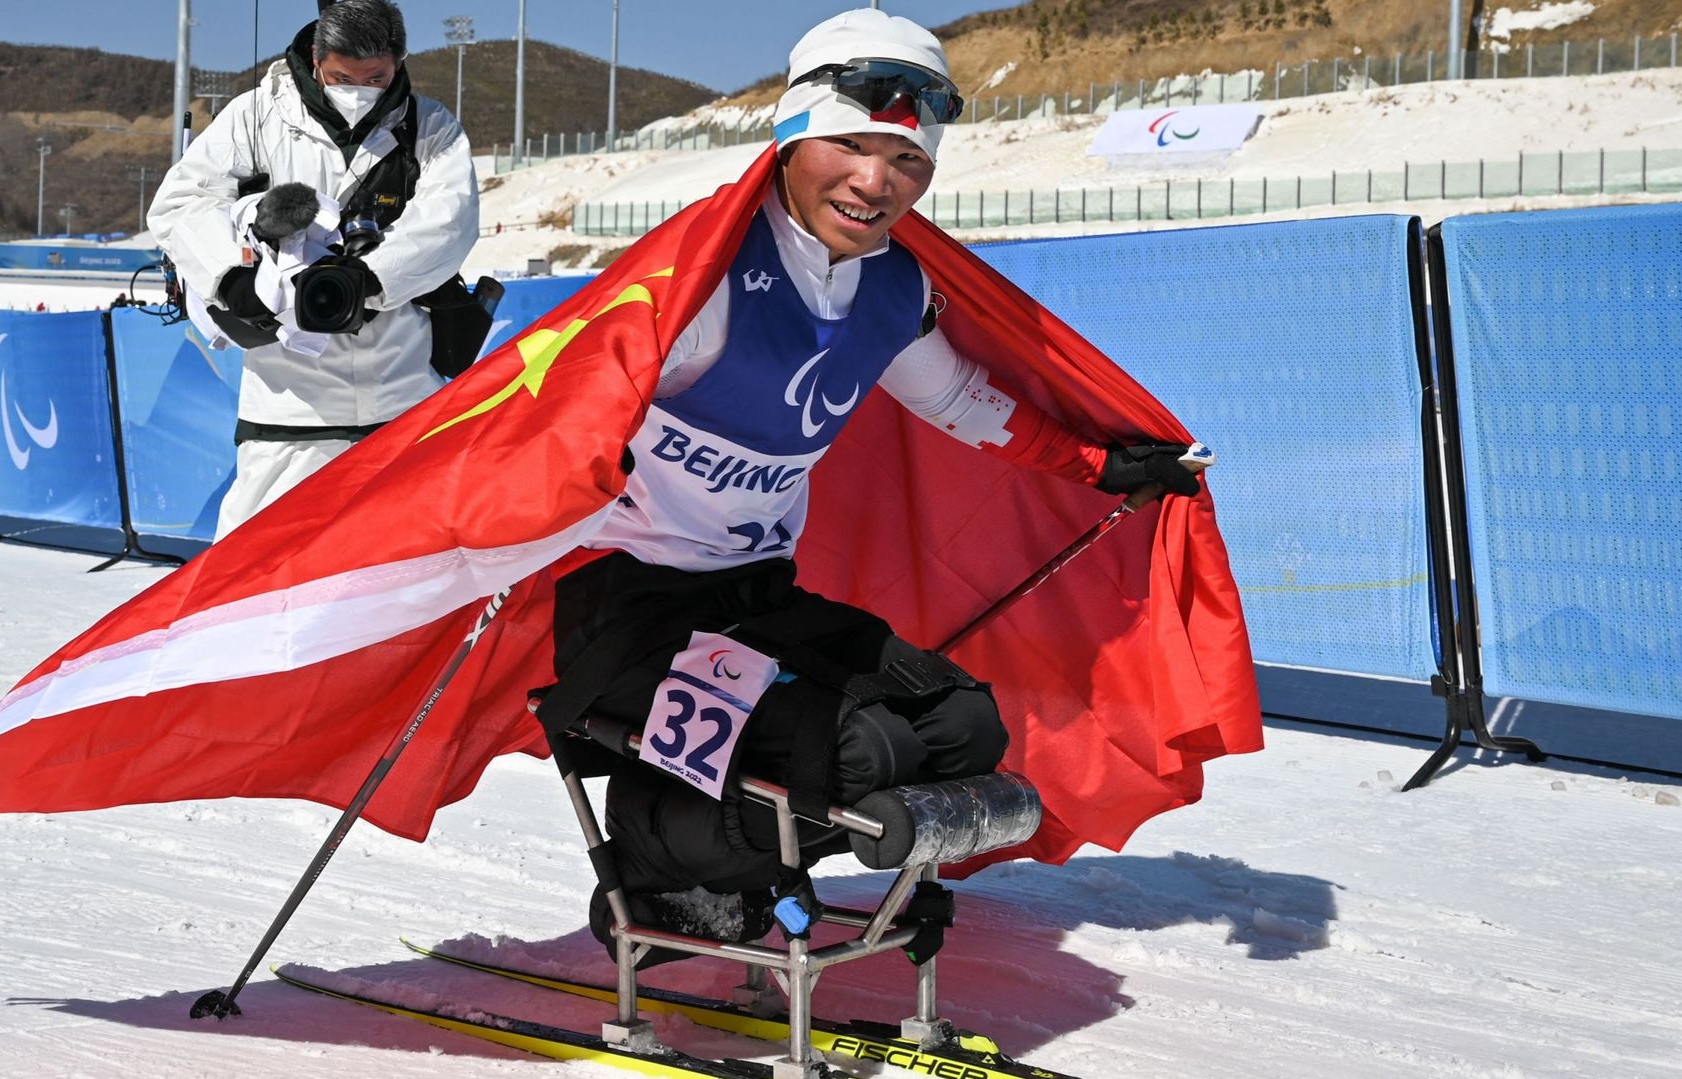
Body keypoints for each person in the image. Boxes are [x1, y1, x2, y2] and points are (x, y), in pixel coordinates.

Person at [539, 8, 1206, 958]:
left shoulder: (890, 286)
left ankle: (737, 871)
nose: (875, 181)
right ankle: (665, 875)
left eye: (908, 161)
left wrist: (1101, 462)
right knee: (860, 751)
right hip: (630, 610)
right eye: (849, 146)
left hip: (754, 597)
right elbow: (562, 412)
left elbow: (967, 402)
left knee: (962, 725)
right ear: (791, 136)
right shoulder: (706, 274)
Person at [148, 0, 478, 540]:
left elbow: (450, 223)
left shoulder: (431, 126)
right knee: (255, 564)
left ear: (400, 60)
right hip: (287, 400)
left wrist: (367, 281)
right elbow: (182, 202)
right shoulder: (256, 115)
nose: (360, 88)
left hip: (403, 390)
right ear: (316, 56)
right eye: (344, 76)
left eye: (377, 76)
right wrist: (231, 278)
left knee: (409, 561)